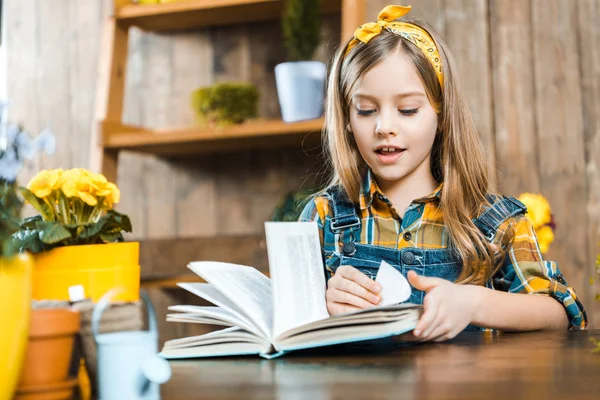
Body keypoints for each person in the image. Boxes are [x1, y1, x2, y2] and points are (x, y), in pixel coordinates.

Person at [299, 4, 587, 342]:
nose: (384, 127)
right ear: (346, 119)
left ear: (441, 113)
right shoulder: (323, 216)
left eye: (407, 110)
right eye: (365, 110)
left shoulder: (494, 223)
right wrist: (321, 305)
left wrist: (476, 302)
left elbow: (561, 315)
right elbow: (287, 328)